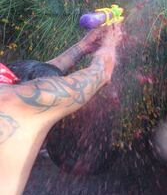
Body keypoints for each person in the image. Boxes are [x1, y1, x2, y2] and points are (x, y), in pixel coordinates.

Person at [0, 24, 122, 195]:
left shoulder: (11, 89)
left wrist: (82, 47)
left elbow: (35, 76)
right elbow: (100, 73)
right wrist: (110, 42)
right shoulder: (22, 104)